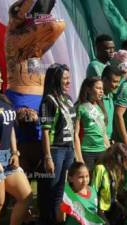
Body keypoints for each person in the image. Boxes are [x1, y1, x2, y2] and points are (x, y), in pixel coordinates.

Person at [0, 65, 32, 225]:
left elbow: (10, 128)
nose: (1, 80)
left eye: (1, 77)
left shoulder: (3, 99)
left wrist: (15, 152)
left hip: (8, 157)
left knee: (26, 196)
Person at [38, 63, 76, 225]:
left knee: (62, 190)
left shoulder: (68, 99)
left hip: (69, 150)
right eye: (65, 78)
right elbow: (45, 131)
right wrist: (47, 157)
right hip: (55, 151)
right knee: (50, 190)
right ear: (56, 80)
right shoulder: (48, 100)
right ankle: (46, 220)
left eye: (69, 78)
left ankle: (58, 221)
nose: (68, 82)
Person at [74, 77, 110, 171]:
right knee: (87, 183)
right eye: (98, 88)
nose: (101, 91)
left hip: (102, 151)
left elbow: (103, 132)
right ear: (88, 89)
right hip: (86, 152)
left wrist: (109, 150)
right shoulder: (80, 107)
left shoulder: (100, 107)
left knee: (102, 183)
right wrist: (79, 158)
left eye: (102, 88)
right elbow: (75, 135)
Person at [91, 143, 127, 225]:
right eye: (121, 159)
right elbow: (93, 190)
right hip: (101, 209)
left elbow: (113, 192)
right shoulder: (100, 168)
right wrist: (97, 209)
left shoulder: (114, 170)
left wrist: (119, 205)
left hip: (111, 207)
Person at [101, 65, 122, 140]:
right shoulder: (94, 99)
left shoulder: (111, 96)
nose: (118, 85)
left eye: (119, 82)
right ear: (104, 80)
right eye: (115, 82)